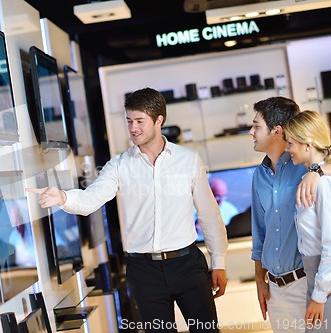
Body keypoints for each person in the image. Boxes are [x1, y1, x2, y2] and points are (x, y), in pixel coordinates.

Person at [28, 87, 228, 332]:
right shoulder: (118, 166)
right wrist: (62, 196)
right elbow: (91, 200)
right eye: (129, 121)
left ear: (159, 120)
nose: (133, 128)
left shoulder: (188, 159)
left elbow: (209, 215)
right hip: (144, 271)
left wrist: (218, 261)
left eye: (140, 121)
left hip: (188, 264)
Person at [249, 97, 331, 333]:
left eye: (256, 126)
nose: (251, 132)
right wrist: (260, 281)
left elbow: (321, 150)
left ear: (276, 131)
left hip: (305, 282)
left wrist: (317, 170)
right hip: (275, 289)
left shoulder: (305, 166)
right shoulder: (259, 176)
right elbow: (259, 232)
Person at [283, 110, 331, 331]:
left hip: (325, 281)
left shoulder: (321, 184)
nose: (287, 149)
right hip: (316, 277)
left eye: (290, 143)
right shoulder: (311, 178)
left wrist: (319, 295)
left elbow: (330, 245)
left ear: (308, 144)